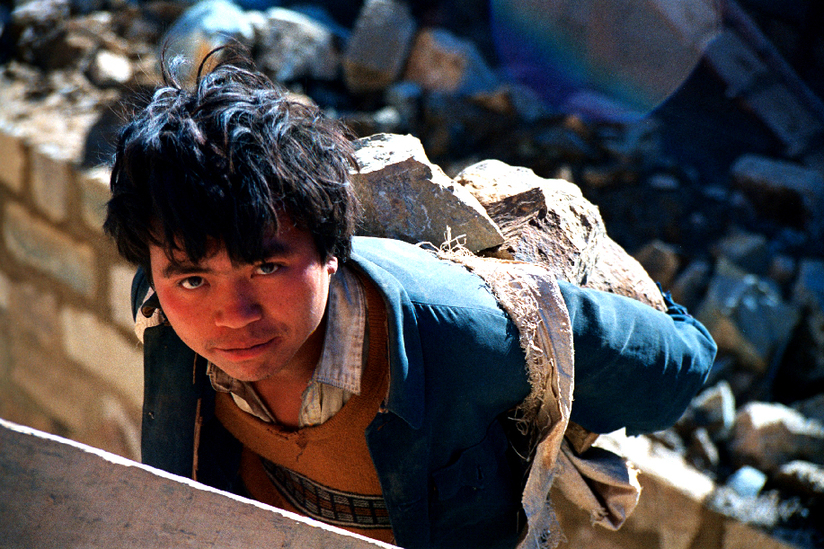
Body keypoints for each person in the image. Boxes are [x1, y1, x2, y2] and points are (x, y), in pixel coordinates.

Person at [104, 51, 717, 549]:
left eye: (267, 267)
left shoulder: (471, 330)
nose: (233, 316)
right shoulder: (160, 308)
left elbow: (680, 365)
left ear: (331, 247)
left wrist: (619, 280)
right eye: (194, 280)